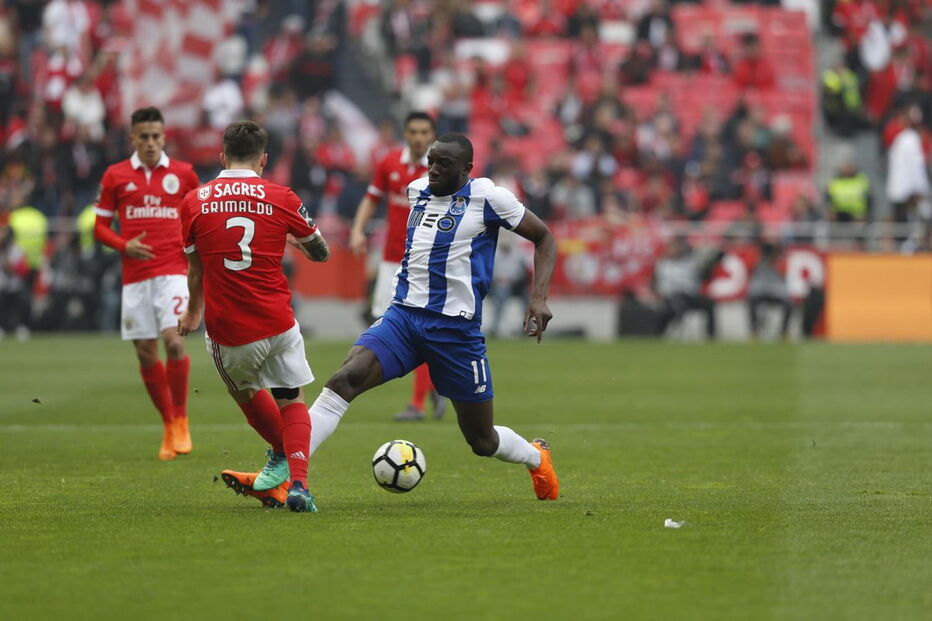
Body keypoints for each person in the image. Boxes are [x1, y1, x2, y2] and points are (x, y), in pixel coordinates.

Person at [306, 133, 561, 502]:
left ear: (466, 169)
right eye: (431, 161)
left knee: (481, 439)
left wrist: (538, 297)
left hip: (456, 331)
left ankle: (536, 456)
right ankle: (285, 472)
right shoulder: (416, 190)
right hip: (405, 318)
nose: (433, 170)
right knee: (344, 380)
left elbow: (545, 237)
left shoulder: (490, 197)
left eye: (444, 164)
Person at [177, 120, 330, 513]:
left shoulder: (194, 201)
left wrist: (194, 310)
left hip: (231, 330)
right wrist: (295, 238)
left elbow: (195, 269)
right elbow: (321, 253)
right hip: (279, 321)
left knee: (244, 391)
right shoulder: (282, 196)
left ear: (222, 157)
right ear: (263, 160)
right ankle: (300, 485)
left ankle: (279, 455)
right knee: (292, 397)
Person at [93, 107, 200, 461]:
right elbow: (100, 226)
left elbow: (202, 216)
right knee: (144, 352)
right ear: (133, 139)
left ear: (164, 137)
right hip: (136, 278)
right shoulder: (115, 175)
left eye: (156, 136)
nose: (151, 143)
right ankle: (168, 423)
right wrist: (125, 245)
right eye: (144, 136)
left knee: (174, 343)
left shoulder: (183, 174)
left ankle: (182, 419)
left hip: (173, 272)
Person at [348, 111, 448, 422]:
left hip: (425, 262)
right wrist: (356, 230)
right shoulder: (389, 162)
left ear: (432, 135)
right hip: (392, 260)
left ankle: (417, 403)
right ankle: (434, 383)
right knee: (386, 325)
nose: (419, 137)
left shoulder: (442, 168)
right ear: (405, 133)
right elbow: (371, 198)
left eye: (424, 132)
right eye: (413, 131)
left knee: (416, 330)